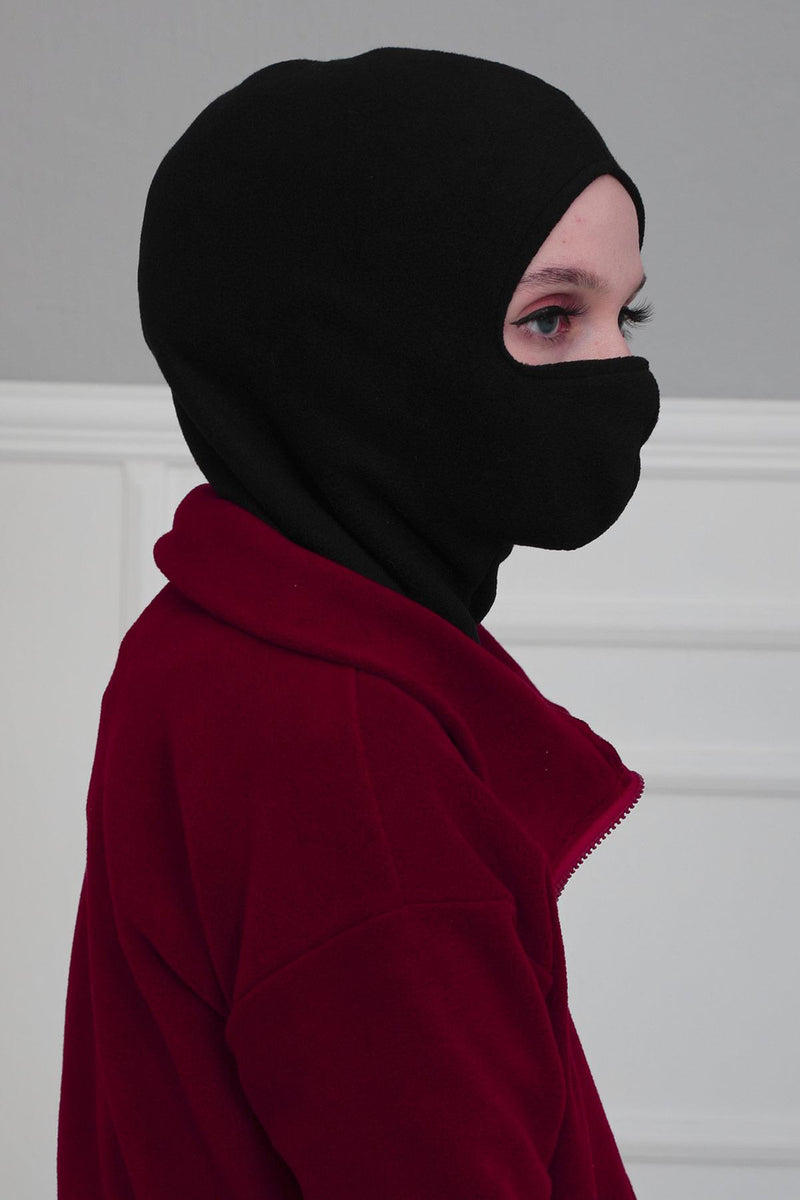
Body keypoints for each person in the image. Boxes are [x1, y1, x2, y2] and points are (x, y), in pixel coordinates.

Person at [56, 47, 659, 1199]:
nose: (621, 372)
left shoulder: (212, 631)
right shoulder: (350, 750)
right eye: (549, 318)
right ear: (362, 349)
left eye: (624, 312)